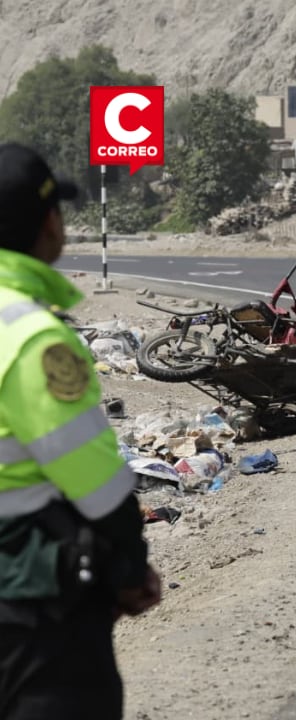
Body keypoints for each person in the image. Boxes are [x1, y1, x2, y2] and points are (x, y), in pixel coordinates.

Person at [0, 143, 160, 719]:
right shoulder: (30, 336)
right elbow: (96, 483)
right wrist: (129, 568)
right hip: (28, 604)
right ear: (50, 222)